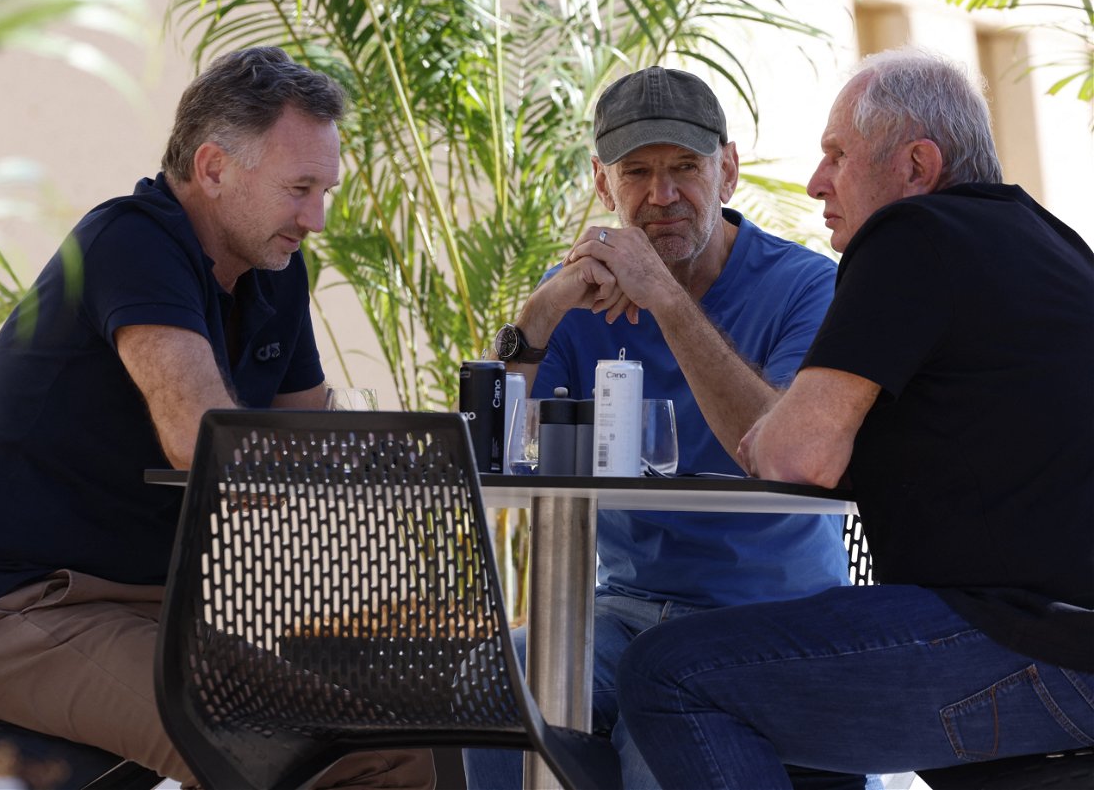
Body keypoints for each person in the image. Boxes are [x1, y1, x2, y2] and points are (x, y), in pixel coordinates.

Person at [0, 47, 434, 788]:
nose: (317, 217)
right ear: (213, 169)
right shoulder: (130, 240)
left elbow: (313, 440)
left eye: (326, 189)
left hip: (157, 615)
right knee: (283, 746)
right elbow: (201, 439)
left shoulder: (276, 270)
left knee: (403, 747)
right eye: (300, 188)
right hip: (11, 612)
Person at [617, 48, 1094, 786]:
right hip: (1062, 650)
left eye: (836, 155)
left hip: (1026, 646)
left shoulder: (912, 237)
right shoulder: (1054, 242)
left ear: (916, 165)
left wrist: (679, 315)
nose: (816, 183)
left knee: (668, 673)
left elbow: (794, 456)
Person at [467, 66, 871, 789]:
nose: (663, 196)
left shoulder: (807, 285)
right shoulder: (579, 301)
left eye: (685, 167)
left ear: (729, 169)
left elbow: (778, 450)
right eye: (638, 172)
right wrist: (538, 315)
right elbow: (479, 455)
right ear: (601, 182)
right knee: (494, 680)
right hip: (618, 609)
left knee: (657, 737)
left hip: (768, 617)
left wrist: (666, 303)